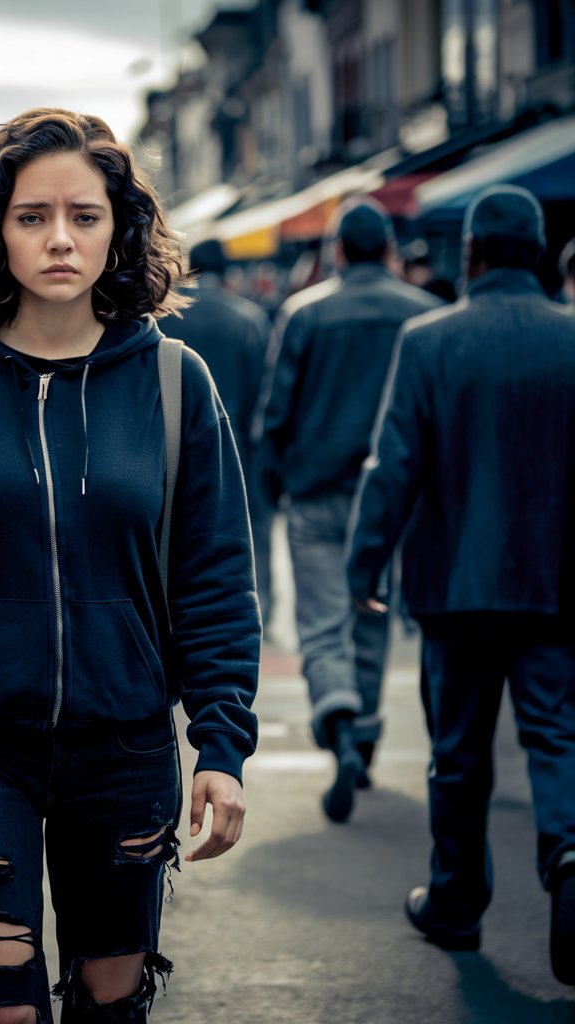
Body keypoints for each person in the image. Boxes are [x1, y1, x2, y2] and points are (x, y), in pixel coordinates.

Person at [0, 108, 261, 1023]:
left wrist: (221, 746)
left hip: (126, 747)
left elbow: (217, 581)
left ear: (121, 229)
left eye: (85, 215)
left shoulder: (177, 383)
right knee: (2, 1008)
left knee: (111, 1007)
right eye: (32, 217)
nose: (60, 239)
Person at [346, 185, 575, 984]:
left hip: (457, 585)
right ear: (540, 253)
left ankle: (456, 901)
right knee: (557, 733)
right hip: (556, 583)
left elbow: (394, 466)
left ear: (471, 253)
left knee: (457, 752)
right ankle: (570, 856)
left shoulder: (429, 340)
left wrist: (364, 563)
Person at [256, 197, 442, 824]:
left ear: (336, 250)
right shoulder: (425, 315)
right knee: (373, 611)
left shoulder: (304, 313)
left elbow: (276, 409)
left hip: (316, 489)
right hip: (393, 492)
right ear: (388, 249)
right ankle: (364, 729)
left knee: (321, 620)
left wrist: (273, 479)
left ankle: (335, 719)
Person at [159, 239, 274, 626]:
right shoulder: (249, 319)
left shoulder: (164, 319)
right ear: (229, 271)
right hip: (239, 446)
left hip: (168, 449)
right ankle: (257, 609)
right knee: (245, 533)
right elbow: (265, 397)